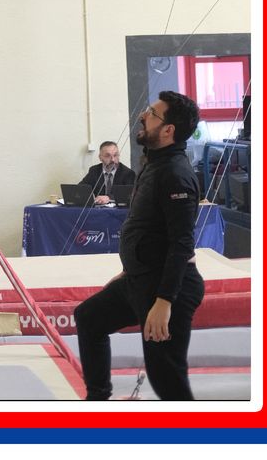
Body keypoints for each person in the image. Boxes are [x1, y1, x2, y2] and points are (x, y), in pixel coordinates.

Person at [74, 91, 204, 400]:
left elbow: (182, 243)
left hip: (167, 286)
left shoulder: (175, 174)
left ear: (168, 130)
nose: (142, 116)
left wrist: (165, 301)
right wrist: (128, 270)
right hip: (140, 278)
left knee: (167, 380)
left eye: (152, 114)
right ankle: (98, 399)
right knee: (89, 317)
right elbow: (147, 226)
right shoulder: (153, 164)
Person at [79, 140, 136, 205]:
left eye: (115, 155)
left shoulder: (128, 173)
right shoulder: (94, 170)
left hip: (119, 209)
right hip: (98, 208)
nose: (113, 160)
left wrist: (109, 198)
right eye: (108, 156)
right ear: (100, 157)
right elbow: (81, 189)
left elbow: (129, 195)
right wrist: (91, 197)